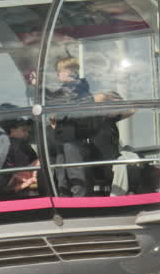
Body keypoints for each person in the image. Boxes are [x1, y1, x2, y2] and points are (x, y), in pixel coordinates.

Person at [47, 54, 129, 197]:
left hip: (79, 141)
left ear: (71, 71)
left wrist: (107, 102)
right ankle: (68, 194)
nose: (58, 74)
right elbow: (55, 109)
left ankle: (78, 195)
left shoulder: (81, 89)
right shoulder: (64, 93)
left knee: (72, 157)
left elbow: (131, 110)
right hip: (67, 141)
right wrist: (94, 99)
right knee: (65, 160)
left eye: (61, 70)